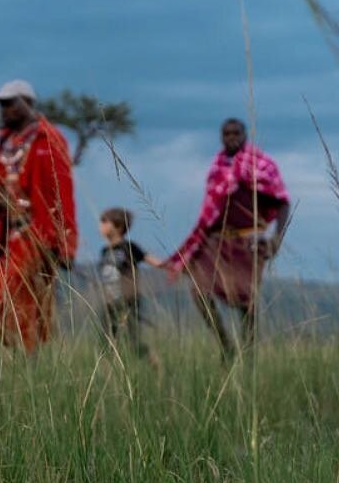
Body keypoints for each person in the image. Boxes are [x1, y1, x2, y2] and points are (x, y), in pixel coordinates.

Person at [0, 80, 78, 374]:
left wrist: (65, 242)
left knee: (4, 307)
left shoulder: (47, 139)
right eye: (1, 104)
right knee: (8, 310)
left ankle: (14, 379)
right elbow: (0, 187)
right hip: (8, 237)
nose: (4, 110)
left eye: (10, 103)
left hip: (38, 236)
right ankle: (9, 381)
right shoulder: (9, 141)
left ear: (27, 102)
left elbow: (61, 193)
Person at [166, 118, 291, 359]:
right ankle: (225, 345)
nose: (231, 137)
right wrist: (195, 250)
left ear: (245, 134)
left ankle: (249, 356)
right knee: (199, 291)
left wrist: (277, 239)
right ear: (221, 137)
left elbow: (283, 202)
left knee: (246, 302)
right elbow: (208, 215)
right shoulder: (217, 168)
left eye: (236, 133)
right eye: (226, 133)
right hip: (217, 240)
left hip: (248, 241)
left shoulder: (261, 165)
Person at [97, 207, 164, 359]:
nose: (100, 226)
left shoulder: (129, 247)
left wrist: (172, 265)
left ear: (118, 226)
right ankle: (109, 374)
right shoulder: (104, 251)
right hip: (109, 303)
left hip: (128, 301)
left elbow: (151, 260)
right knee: (107, 342)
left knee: (132, 341)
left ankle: (154, 362)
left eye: (104, 222)